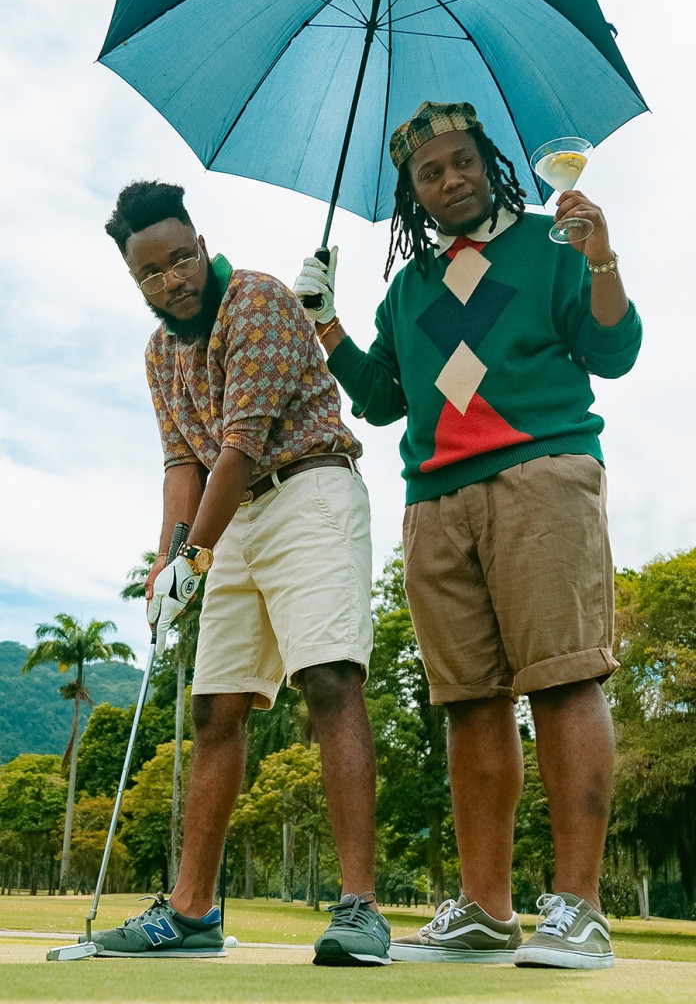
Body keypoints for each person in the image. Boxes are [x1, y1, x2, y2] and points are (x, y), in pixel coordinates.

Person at [294, 100, 642, 971]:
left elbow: (614, 350)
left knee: (563, 681)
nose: (451, 179)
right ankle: (486, 911)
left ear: (489, 161)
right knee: (467, 702)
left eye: (463, 161)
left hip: (543, 478)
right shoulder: (408, 288)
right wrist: (326, 325)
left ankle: (581, 908)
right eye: (430, 171)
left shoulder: (549, 243)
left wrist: (602, 261)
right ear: (412, 191)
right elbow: (382, 400)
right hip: (435, 500)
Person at [86, 180, 391, 966]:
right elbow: (183, 464)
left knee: (329, 680)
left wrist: (195, 553)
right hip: (233, 515)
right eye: (150, 274)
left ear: (200, 244)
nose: (171, 281)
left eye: (180, 260)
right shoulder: (158, 353)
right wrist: (166, 565)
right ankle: (192, 913)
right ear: (135, 280)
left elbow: (240, 446)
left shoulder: (255, 301)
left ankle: (359, 907)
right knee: (217, 709)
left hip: (309, 489)